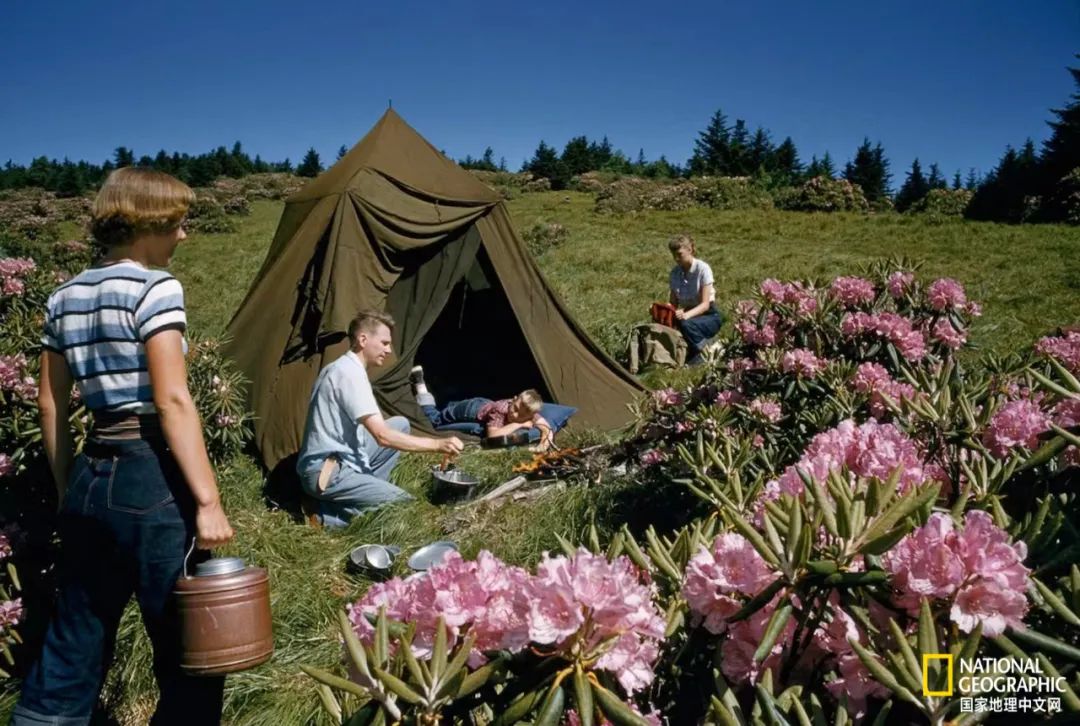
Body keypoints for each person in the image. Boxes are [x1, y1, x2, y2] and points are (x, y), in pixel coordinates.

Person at [14, 168, 235, 725]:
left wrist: (68, 487)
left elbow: (49, 404)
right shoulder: (156, 288)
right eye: (178, 223)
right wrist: (208, 501)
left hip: (90, 472)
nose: (184, 234)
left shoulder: (63, 296)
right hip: (149, 470)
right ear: (147, 222)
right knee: (187, 640)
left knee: (75, 632)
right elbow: (173, 400)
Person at [296, 311, 464, 528]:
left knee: (401, 424)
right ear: (363, 339)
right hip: (326, 472)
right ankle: (323, 515)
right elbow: (382, 436)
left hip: (340, 457)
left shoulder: (342, 367)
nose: (389, 350)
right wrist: (437, 444)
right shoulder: (350, 375)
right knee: (404, 505)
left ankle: (369, 492)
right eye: (384, 343)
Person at [410, 368, 554, 449]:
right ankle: (420, 385)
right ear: (513, 398)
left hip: (483, 404)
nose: (515, 415)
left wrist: (542, 447)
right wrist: (519, 424)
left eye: (521, 416)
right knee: (436, 420)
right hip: (469, 410)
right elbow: (493, 435)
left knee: (449, 409)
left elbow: (547, 429)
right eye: (515, 408)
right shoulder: (501, 410)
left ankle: (448, 404)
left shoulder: (527, 412)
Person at [667, 234, 723, 364]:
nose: (676, 258)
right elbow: (673, 303)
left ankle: (706, 351)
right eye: (673, 255)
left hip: (709, 315)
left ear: (690, 250)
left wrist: (686, 315)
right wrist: (662, 310)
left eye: (679, 254)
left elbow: (705, 305)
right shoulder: (675, 273)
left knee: (686, 324)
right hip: (687, 314)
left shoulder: (703, 269)